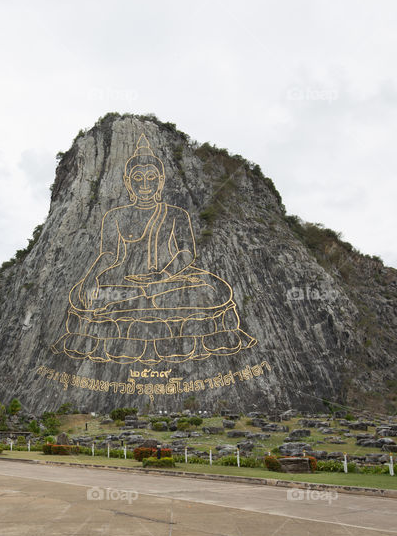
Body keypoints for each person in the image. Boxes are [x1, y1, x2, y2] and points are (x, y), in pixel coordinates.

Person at [52, 134, 255, 364]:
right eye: (138, 178)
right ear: (128, 181)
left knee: (213, 288)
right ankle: (141, 301)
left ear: (161, 180)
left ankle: (138, 304)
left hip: (171, 281)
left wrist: (163, 276)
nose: (145, 184)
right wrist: (91, 277)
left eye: (151, 177)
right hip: (127, 282)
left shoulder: (176, 214)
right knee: (91, 294)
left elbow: (186, 252)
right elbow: (109, 255)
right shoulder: (115, 216)